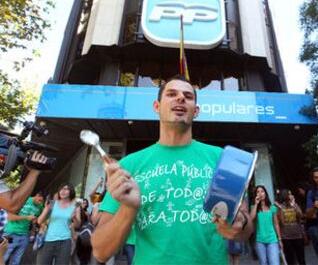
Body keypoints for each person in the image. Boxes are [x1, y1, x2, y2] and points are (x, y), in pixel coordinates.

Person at [91, 75, 253, 264]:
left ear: (196, 111)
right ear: (156, 107)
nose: (180, 98)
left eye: (188, 96)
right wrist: (129, 208)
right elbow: (101, 251)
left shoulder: (220, 158)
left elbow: (246, 227)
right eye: (171, 94)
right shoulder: (128, 166)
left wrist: (239, 224)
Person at [36, 183, 80, 265]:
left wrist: (74, 218)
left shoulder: (75, 207)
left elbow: (77, 225)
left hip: (65, 242)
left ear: (71, 191)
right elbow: (39, 221)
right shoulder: (52, 204)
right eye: (61, 189)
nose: (63, 191)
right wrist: (46, 210)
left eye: (66, 189)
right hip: (48, 240)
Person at [3, 191, 44, 265]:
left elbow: (34, 220)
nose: (40, 203)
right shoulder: (23, 200)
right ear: (37, 195)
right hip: (11, 233)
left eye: (42, 202)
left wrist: (33, 230)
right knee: (4, 257)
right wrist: (26, 217)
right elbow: (10, 217)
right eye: (40, 200)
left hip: (25, 236)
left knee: (16, 260)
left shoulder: (40, 206)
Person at [250, 185, 282, 265]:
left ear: (265, 193)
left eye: (262, 191)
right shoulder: (254, 207)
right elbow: (251, 219)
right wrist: (256, 204)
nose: (260, 193)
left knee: (274, 263)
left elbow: (276, 224)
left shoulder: (272, 208)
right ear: (256, 195)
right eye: (258, 192)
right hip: (260, 240)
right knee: (263, 263)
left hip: (272, 239)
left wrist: (279, 239)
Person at [277, 189, 306, 265]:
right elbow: (282, 222)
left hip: (298, 235)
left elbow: (301, 216)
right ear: (285, 196)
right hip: (286, 237)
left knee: (301, 259)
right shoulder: (280, 207)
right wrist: (280, 209)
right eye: (289, 194)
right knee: (290, 260)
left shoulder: (295, 204)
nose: (291, 195)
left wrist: (294, 206)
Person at [297, 182, 318, 263]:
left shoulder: (310, 197)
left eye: (300, 190)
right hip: (312, 225)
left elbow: (313, 214)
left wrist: (306, 215)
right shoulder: (307, 198)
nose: (300, 192)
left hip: (314, 225)